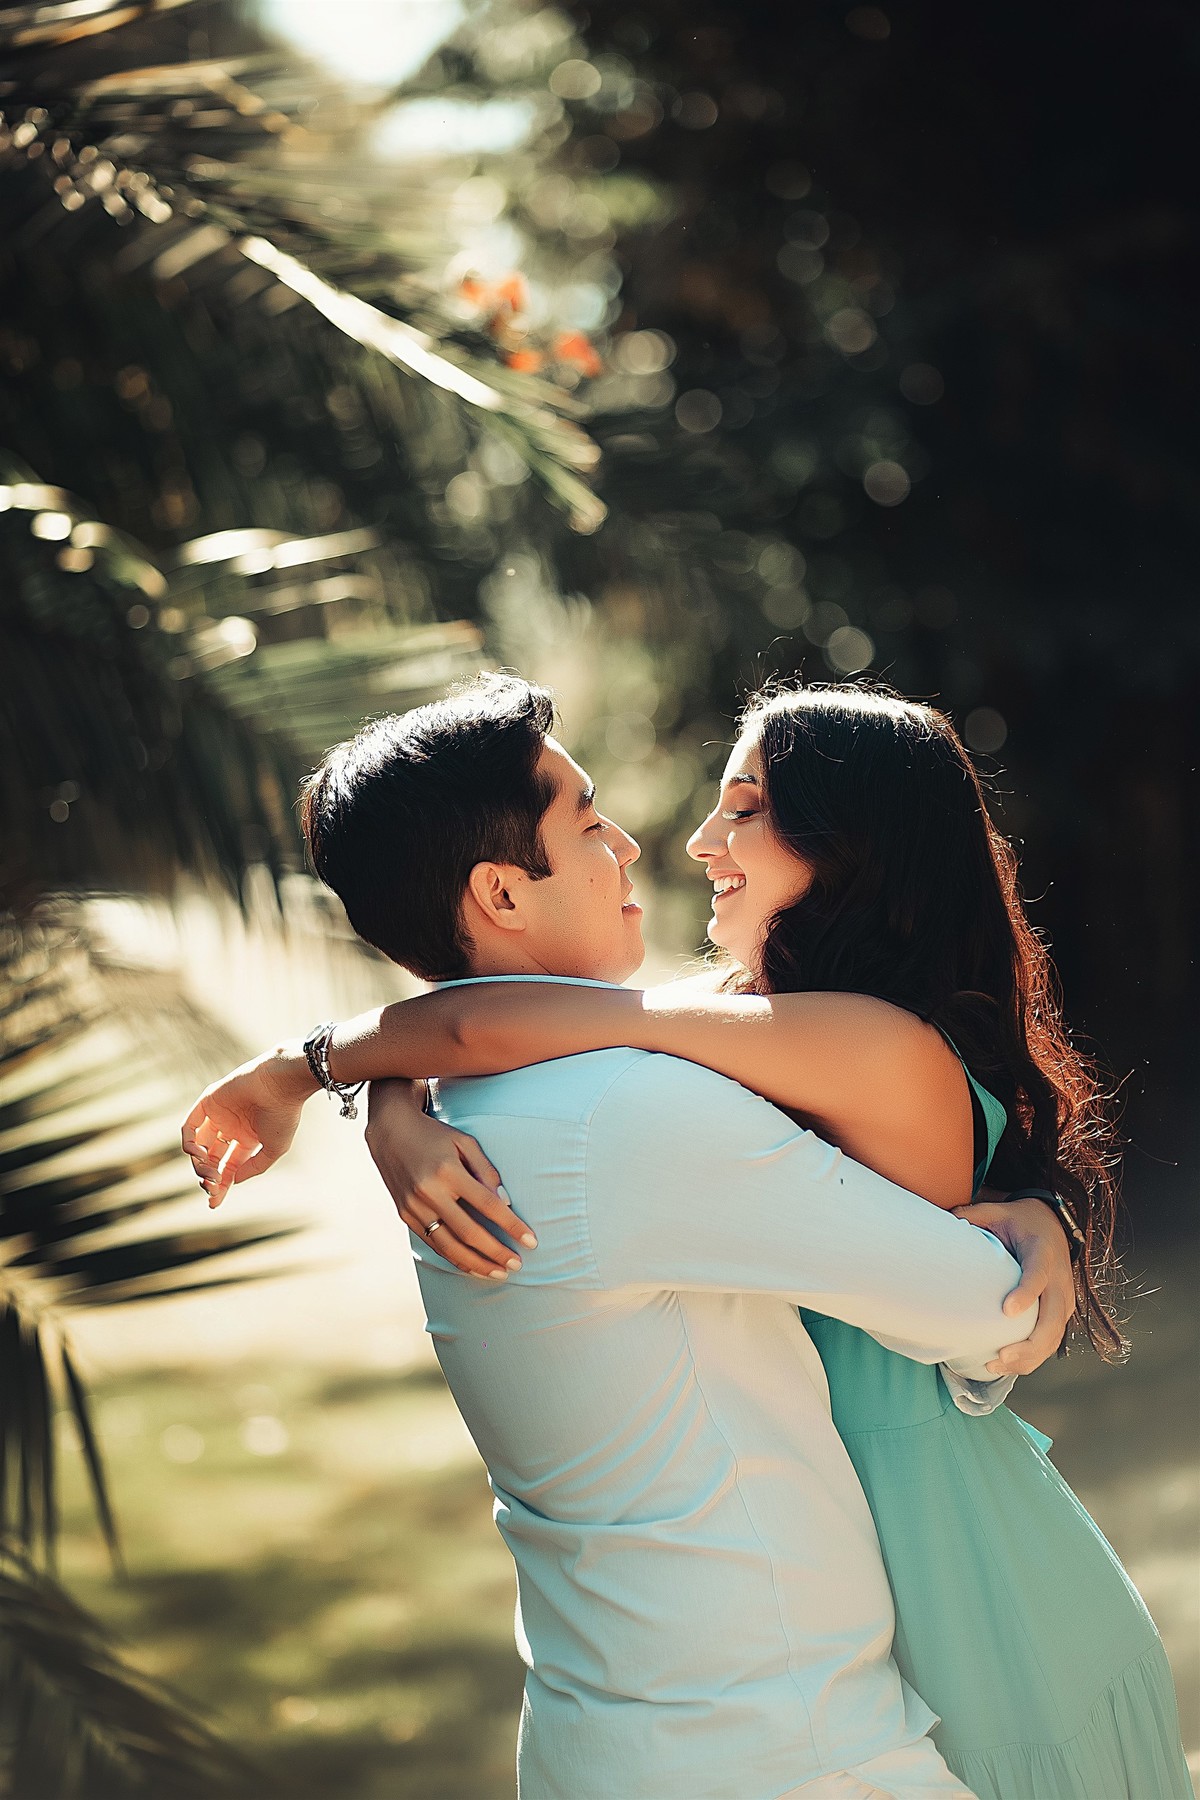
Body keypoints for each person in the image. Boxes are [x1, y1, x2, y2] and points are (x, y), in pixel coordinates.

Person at [183, 676, 1113, 1799]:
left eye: (748, 806)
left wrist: (362, 1084)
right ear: (500, 893)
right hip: (779, 1746)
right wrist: (375, 1088)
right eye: (584, 820)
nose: (643, 841)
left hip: (699, 1700)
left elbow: (488, 1020)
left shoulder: (545, 1102)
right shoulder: (640, 1111)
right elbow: (985, 1308)